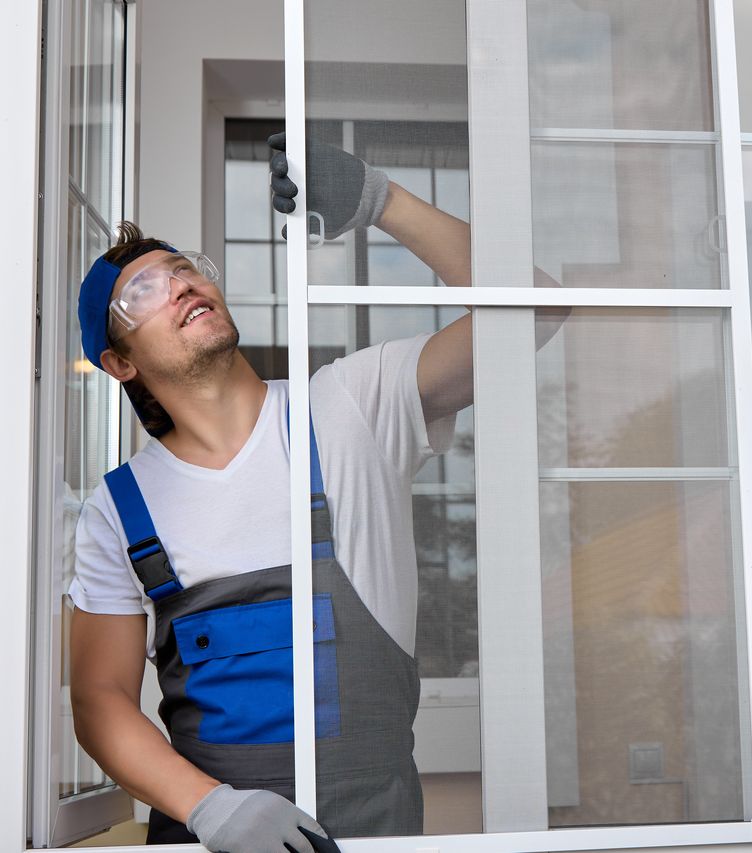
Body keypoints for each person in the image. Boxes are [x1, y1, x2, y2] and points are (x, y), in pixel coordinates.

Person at [68, 132, 474, 851]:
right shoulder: (117, 509)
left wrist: (380, 201)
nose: (183, 283)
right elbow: (99, 701)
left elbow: (531, 309)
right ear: (118, 361)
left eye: (185, 268)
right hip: (203, 837)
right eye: (145, 289)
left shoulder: (346, 407)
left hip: (376, 835)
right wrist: (210, 809)